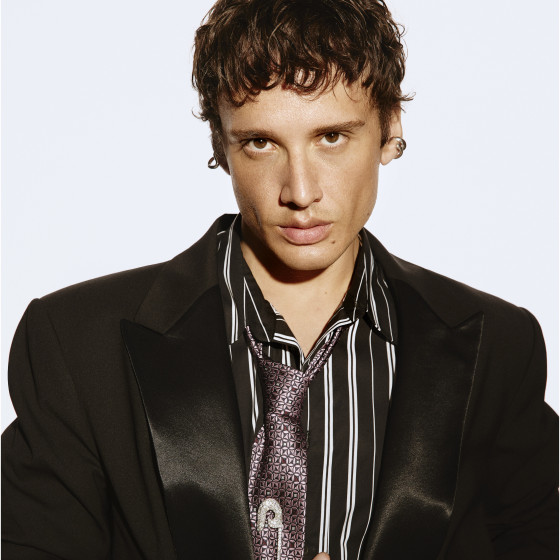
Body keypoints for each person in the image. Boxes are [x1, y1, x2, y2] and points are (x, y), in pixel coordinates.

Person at [2, 0, 557, 559]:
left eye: (331, 137)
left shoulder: (498, 348)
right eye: (260, 143)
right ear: (220, 144)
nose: (300, 191)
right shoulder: (75, 345)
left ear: (389, 130)